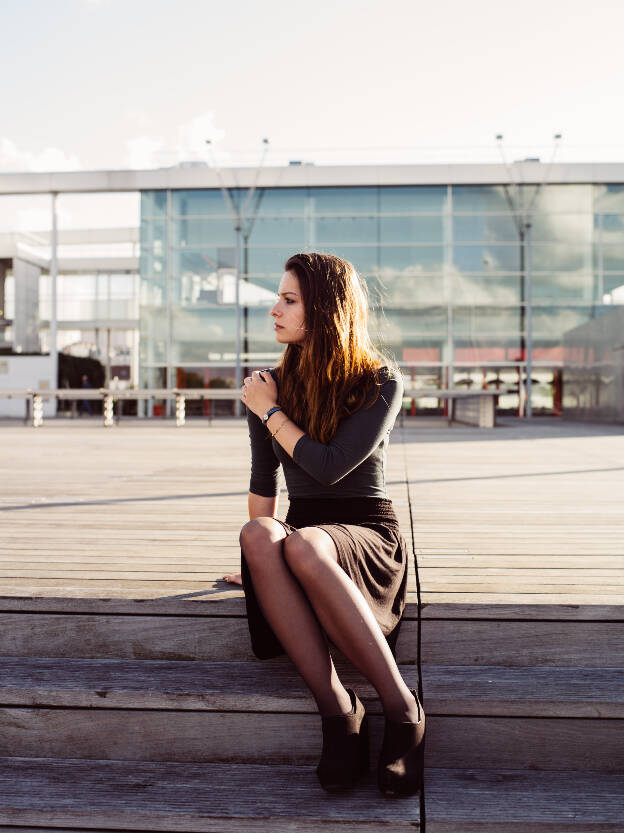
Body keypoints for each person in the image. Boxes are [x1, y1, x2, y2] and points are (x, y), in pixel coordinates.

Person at [223, 252, 425, 796]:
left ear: (327, 310)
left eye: (289, 300)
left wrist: (272, 413)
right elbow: (264, 482)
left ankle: (404, 709)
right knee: (259, 536)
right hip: (304, 541)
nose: (274, 310)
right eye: (278, 298)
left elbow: (331, 469)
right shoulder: (269, 386)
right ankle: (339, 710)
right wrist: (259, 567)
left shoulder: (379, 381)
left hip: (366, 536)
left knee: (307, 545)